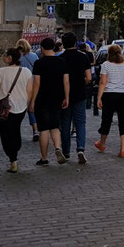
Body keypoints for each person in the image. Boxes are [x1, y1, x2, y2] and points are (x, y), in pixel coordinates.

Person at [0, 47, 34, 173]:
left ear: (9, 58)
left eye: (5, 55)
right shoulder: (26, 72)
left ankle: (12, 158)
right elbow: (30, 90)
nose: (4, 58)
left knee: (5, 133)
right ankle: (15, 151)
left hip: (4, 108)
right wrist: (27, 102)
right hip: (21, 107)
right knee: (16, 129)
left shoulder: (0, 72)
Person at [30, 37, 70, 166]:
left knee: (43, 129)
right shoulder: (62, 62)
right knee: (54, 126)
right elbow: (66, 81)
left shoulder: (39, 63)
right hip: (57, 97)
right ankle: (58, 148)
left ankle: (44, 158)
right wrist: (66, 97)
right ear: (53, 47)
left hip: (42, 98)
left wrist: (32, 100)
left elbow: (36, 83)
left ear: (42, 48)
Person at [95, 44, 124, 158]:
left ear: (109, 54)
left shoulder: (106, 65)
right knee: (123, 121)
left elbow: (103, 82)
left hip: (109, 95)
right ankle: (122, 149)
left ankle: (102, 144)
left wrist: (99, 98)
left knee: (106, 120)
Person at [59, 32, 92, 164]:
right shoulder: (83, 57)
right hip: (80, 94)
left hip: (64, 95)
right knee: (80, 122)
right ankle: (80, 148)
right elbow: (89, 77)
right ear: (75, 43)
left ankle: (66, 152)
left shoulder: (60, 58)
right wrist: (82, 82)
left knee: (65, 123)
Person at [16, 39, 40, 141]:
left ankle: (17, 130)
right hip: (34, 83)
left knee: (19, 108)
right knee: (32, 107)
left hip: (21, 85)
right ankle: (36, 130)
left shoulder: (17, 57)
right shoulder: (34, 56)